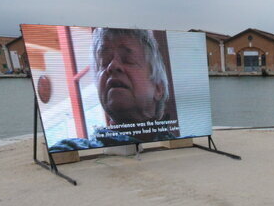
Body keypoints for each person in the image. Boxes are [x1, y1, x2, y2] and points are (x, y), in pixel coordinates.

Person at [49, 28, 178, 151]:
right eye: (103, 62)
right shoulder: (70, 150)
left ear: (158, 88)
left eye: (128, 59)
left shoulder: (188, 148)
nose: (112, 66)